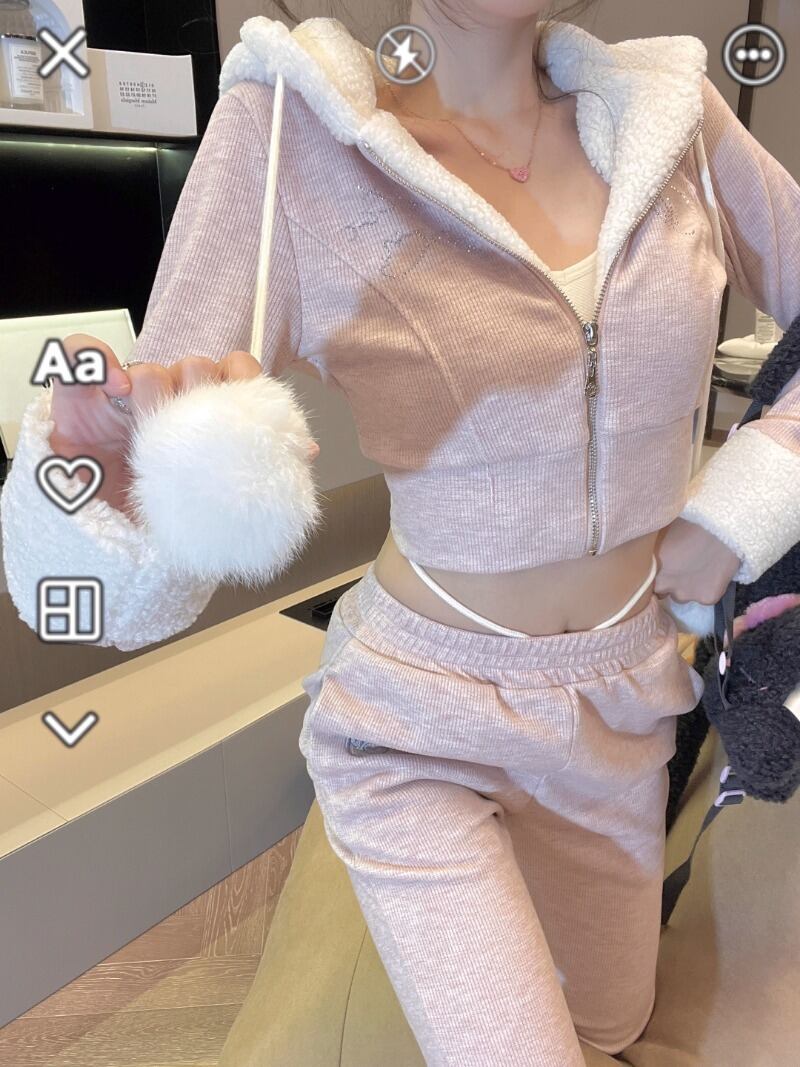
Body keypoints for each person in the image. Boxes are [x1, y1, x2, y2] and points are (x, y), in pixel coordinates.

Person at [3, 1, 800, 1063]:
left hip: (628, 693)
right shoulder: (294, 132)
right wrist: (105, 487)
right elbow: (111, 575)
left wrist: (740, 507)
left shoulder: (671, 114)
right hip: (419, 723)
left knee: (610, 1024)